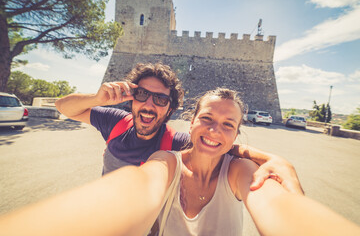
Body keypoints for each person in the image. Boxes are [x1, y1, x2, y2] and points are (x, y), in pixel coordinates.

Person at [1, 88, 359, 236]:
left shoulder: (238, 171)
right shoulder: (164, 158)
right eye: (207, 119)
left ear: (237, 134)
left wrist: (276, 160)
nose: (214, 131)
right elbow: (139, 186)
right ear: (190, 120)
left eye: (227, 124)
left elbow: (276, 206)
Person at [55, 62, 303, 193]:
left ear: (170, 109)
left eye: (160, 99)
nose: (149, 105)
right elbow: (63, 107)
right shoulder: (114, 121)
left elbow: (220, 144)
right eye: (141, 94)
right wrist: (97, 99)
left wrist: (273, 159)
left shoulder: (176, 141)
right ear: (131, 98)